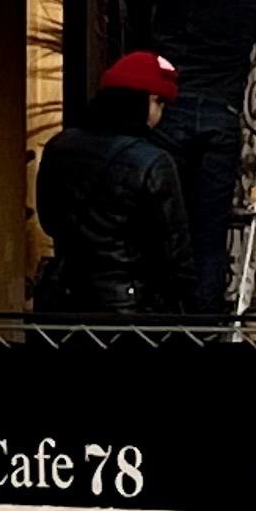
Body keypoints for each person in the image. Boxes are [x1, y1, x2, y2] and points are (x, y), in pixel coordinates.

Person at [129, 0, 256, 311]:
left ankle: (161, 316)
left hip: (173, 106)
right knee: (209, 229)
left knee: (163, 220)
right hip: (222, 113)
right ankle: (205, 328)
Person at [29, 50, 196, 318]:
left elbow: (48, 219)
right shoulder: (152, 162)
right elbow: (173, 251)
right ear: (150, 100)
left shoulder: (59, 146)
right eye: (161, 104)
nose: (161, 114)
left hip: (65, 299)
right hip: (127, 307)